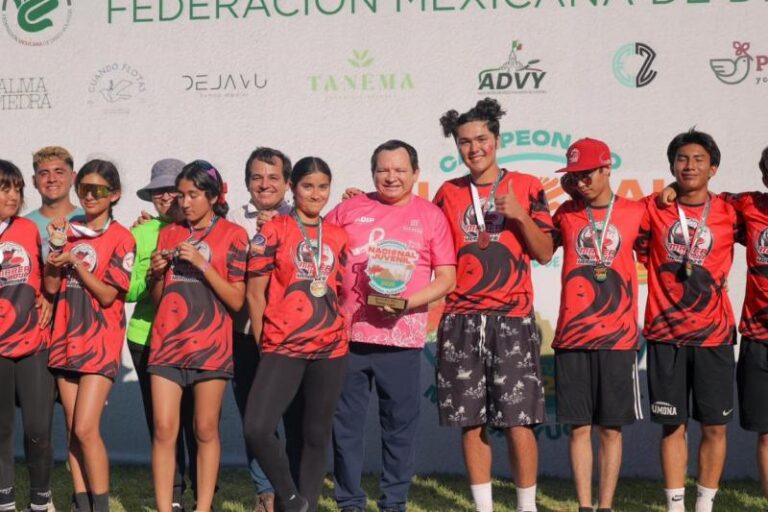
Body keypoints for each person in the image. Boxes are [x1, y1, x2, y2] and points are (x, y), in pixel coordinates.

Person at [433, 98, 554, 512]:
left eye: (481, 139)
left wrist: (521, 215)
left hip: (512, 319)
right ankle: (484, 507)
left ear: (497, 140)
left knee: (519, 421)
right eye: (464, 142)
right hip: (461, 319)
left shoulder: (527, 185)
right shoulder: (447, 193)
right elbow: (422, 244)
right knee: (471, 422)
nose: (474, 148)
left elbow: (544, 251)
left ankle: (526, 506)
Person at [327, 140, 456, 512]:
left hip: (402, 341)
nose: (391, 177)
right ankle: (349, 501)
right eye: (384, 169)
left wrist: (404, 304)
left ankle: (394, 502)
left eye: (400, 170)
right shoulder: (348, 209)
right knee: (345, 427)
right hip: (348, 338)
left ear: (416, 174)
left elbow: (446, 277)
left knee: (399, 429)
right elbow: (321, 257)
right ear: (372, 173)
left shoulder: (431, 216)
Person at [636, 129, 737, 512]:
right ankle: (676, 506)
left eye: (698, 160)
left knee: (714, 427)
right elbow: (602, 202)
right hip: (666, 335)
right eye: (682, 159)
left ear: (713, 168)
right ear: (672, 167)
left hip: (715, 337)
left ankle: (705, 506)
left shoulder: (731, 210)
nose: (690, 165)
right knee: (672, 426)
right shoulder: (653, 206)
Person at [244, 157, 349, 512]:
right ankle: (291, 500)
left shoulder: (338, 235)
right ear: (293, 187)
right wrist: (264, 344)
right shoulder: (273, 231)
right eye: (308, 186)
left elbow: (343, 291)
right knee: (257, 427)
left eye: (323, 186)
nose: (316, 194)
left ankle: (308, 507)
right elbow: (254, 294)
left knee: (315, 437)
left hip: (331, 349)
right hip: (282, 346)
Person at [148, 160, 248, 512]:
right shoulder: (169, 233)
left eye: (193, 195)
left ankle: (203, 507)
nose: (185, 202)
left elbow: (237, 300)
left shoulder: (233, 235)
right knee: (163, 428)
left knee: (205, 429)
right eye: (182, 195)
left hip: (211, 348)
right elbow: (160, 300)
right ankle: (164, 506)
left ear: (212, 195)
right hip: (166, 345)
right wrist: (157, 275)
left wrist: (204, 265)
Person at [550, 139, 644, 512]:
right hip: (573, 335)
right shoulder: (566, 213)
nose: (581, 182)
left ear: (607, 169)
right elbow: (541, 249)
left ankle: (606, 506)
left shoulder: (638, 211)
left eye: (587, 174)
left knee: (610, 428)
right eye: (574, 176)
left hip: (618, 338)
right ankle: (585, 506)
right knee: (578, 428)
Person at [44, 159, 136, 512]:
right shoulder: (67, 229)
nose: (89, 196)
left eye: (98, 190)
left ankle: (101, 506)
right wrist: (55, 254)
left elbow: (109, 294)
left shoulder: (121, 237)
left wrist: (77, 263)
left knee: (85, 428)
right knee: (71, 429)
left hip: (99, 342)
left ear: (114, 194)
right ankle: (81, 504)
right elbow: (51, 287)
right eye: (83, 189)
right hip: (65, 338)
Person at [126, 158, 196, 512]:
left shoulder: (204, 227)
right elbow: (126, 290)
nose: (166, 197)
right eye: (159, 192)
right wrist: (151, 274)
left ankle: (203, 494)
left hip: (195, 340)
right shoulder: (138, 233)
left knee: (198, 422)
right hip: (147, 337)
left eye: (173, 189)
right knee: (163, 423)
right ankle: (173, 494)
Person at [229, 148, 294, 512]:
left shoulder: (303, 217)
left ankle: (293, 486)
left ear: (287, 182)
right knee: (256, 419)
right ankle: (265, 491)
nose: (264, 184)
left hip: (295, 337)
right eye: (257, 177)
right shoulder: (233, 220)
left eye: (273, 177)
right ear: (247, 182)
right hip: (244, 335)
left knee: (295, 417)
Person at [0, 159, 55, 512]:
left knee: (38, 428)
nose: (13, 196)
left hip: (33, 343)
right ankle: (5, 500)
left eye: (18, 189)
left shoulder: (29, 230)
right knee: (1, 431)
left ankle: (41, 500)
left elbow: (47, 274)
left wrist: (48, 297)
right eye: (5, 188)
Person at [25, 146, 83, 259]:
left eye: (59, 172)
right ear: (34, 181)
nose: (52, 179)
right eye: (44, 173)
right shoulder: (23, 225)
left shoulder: (87, 221)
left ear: (73, 177)